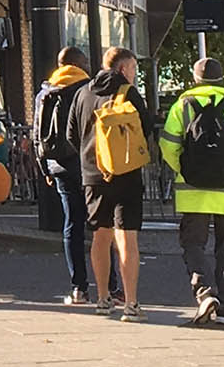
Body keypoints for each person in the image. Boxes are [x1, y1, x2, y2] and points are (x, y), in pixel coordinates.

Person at [161, 57, 224, 326]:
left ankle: (205, 292)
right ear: (222, 79)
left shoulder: (183, 104)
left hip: (192, 190)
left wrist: (185, 169)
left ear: (195, 79)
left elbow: (168, 144)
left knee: (193, 243)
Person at [65, 47, 151, 321]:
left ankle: (102, 298)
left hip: (93, 174)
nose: (135, 74)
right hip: (126, 173)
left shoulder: (83, 93)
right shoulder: (129, 93)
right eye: (134, 69)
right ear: (124, 69)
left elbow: (71, 135)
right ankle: (131, 304)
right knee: (127, 237)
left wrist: (90, 156)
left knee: (100, 235)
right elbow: (146, 127)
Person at [31, 46, 106, 305]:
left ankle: (79, 288)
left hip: (59, 166)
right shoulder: (90, 89)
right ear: (79, 64)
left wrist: (44, 168)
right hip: (90, 165)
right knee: (100, 225)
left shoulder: (46, 92)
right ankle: (111, 286)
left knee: (72, 225)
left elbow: (37, 134)